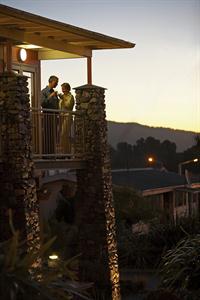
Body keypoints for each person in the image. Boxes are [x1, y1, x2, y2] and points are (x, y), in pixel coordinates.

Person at [41, 75, 59, 156]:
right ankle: (46, 154)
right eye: (55, 83)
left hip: (55, 117)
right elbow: (42, 103)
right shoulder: (44, 91)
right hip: (47, 116)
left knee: (53, 135)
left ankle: (52, 153)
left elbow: (56, 104)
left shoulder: (54, 92)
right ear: (51, 82)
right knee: (47, 135)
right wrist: (50, 96)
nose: (56, 84)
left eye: (57, 83)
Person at [59, 83, 75, 154]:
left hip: (67, 116)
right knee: (62, 135)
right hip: (61, 116)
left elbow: (69, 106)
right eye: (62, 89)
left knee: (64, 134)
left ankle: (66, 152)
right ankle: (65, 151)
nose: (63, 91)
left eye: (64, 89)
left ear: (68, 89)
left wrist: (63, 99)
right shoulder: (63, 97)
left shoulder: (70, 97)